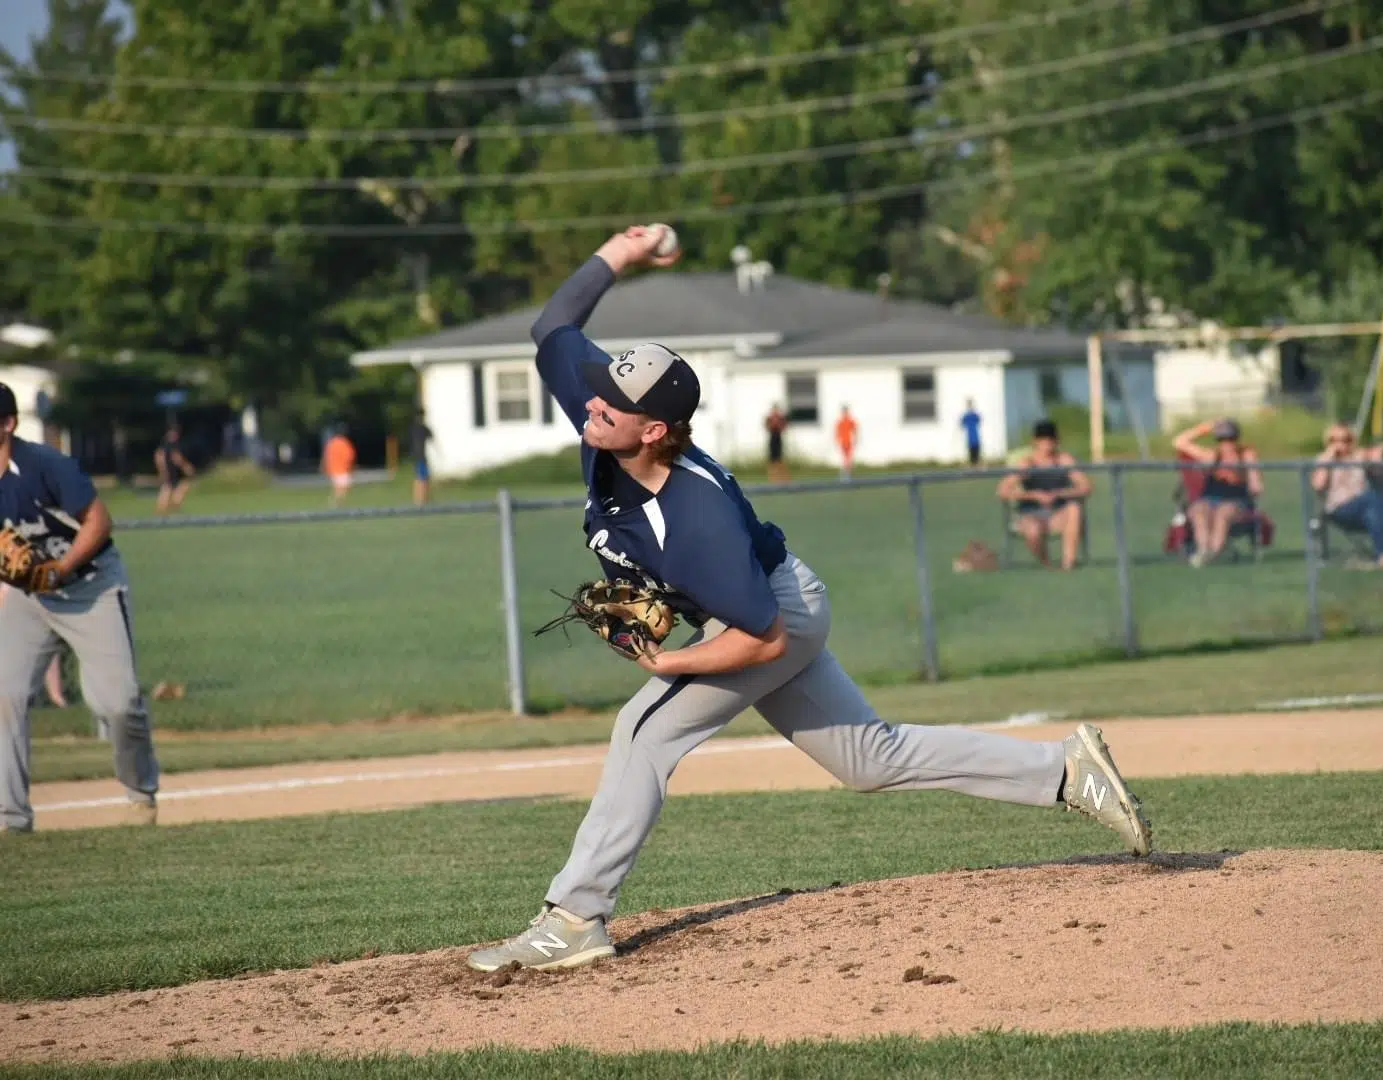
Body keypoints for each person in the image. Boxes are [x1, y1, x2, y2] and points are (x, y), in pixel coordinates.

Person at [464, 227, 1152, 973]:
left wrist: (674, 662)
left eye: (612, 405)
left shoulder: (697, 520)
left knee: (644, 730)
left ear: (654, 430)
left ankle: (576, 915)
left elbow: (760, 639)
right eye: (598, 392)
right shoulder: (610, 416)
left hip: (772, 614)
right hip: (768, 598)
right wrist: (620, 255)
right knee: (868, 759)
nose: (591, 407)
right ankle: (1064, 770)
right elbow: (552, 328)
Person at [0, 382, 160, 834]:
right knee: (4, 696)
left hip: (91, 588)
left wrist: (60, 568)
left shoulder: (44, 464)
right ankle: (11, 820)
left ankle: (141, 795)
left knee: (117, 702)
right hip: (31, 600)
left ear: (8, 423)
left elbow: (99, 521)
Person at [1312, 422, 1383, 569]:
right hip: (1338, 511)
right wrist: (1328, 459)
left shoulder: (1359, 456)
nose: (1341, 444)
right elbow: (1318, 485)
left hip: (1363, 510)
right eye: (1334, 440)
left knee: (1373, 512)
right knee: (1371, 498)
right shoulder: (1324, 459)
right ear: (1328, 442)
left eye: (1346, 439)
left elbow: (1382, 453)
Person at [996, 419, 1092, 571]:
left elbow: (1086, 487)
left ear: (1057, 441)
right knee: (1033, 530)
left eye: (1051, 439)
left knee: (1074, 509)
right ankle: (1048, 564)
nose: (1047, 444)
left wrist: (1060, 493)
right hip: (1032, 514)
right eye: (1043, 440)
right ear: (1035, 441)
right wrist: (1034, 495)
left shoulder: (1064, 460)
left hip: (1058, 513)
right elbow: (1002, 490)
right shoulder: (1028, 464)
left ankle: (1068, 563)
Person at [1172, 418, 1264, 567]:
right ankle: (1204, 550)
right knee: (1198, 509)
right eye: (1222, 440)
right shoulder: (1211, 455)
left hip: (1236, 500)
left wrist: (1255, 483)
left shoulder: (1246, 455)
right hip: (1210, 498)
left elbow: (1255, 480)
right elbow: (1179, 442)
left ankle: (1215, 551)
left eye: (1230, 440)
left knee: (1223, 512)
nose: (1227, 445)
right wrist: (1203, 429)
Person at [154, 424, 196, 515]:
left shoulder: (172, 444)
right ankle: (165, 511)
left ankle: (171, 509)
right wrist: (186, 467)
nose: (175, 435)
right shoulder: (168, 445)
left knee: (177, 489)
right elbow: (174, 458)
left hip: (176, 473)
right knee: (169, 491)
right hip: (171, 473)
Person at [323, 424, 357, 506]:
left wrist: (327, 468)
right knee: (343, 489)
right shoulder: (345, 443)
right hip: (343, 470)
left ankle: (336, 503)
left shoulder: (331, 443)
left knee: (338, 489)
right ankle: (335, 504)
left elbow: (327, 456)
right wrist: (350, 467)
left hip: (333, 470)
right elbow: (350, 456)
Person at [408, 410, 435, 507]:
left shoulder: (413, 428)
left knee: (420, 478)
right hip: (421, 457)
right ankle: (421, 499)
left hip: (417, 457)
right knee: (422, 478)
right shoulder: (423, 428)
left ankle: (421, 499)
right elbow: (432, 438)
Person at [764, 404, 789, 484]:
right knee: (772, 460)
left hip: (778, 437)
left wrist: (779, 425)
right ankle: (772, 478)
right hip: (772, 438)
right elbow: (767, 426)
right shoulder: (769, 418)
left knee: (779, 459)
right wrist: (772, 425)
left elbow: (784, 426)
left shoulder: (780, 417)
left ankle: (783, 478)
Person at [834, 405, 858, 481]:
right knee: (846, 459)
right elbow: (837, 432)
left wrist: (856, 439)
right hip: (843, 442)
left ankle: (847, 475)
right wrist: (837, 440)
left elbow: (855, 430)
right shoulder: (841, 421)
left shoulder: (849, 420)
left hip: (848, 442)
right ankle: (846, 474)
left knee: (848, 459)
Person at [960, 400, 983, 467]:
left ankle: (977, 464)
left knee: (977, 452)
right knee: (971, 453)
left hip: (975, 437)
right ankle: (973, 465)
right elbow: (962, 423)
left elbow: (979, 420)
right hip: (970, 438)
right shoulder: (966, 416)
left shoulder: (975, 415)